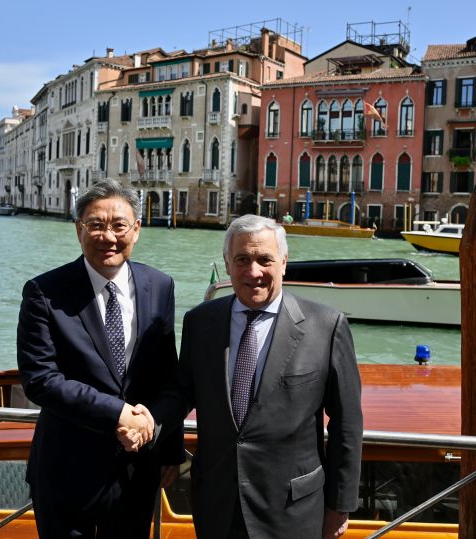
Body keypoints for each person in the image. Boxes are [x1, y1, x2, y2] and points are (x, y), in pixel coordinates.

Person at [124, 214, 363, 538]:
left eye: (264, 259)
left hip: (293, 509)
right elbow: (181, 392)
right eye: (242, 260)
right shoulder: (200, 321)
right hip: (217, 501)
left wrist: (340, 505)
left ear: (283, 262)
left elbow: (347, 423)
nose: (253, 272)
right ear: (227, 263)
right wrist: (150, 422)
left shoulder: (327, 326)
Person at [17, 179, 184, 539]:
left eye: (119, 225)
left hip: (136, 469)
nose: (108, 236)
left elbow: (167, 374)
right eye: (95, 224)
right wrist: (119, 413)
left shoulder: (160, 285)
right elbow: (40, 380)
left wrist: (167, 444)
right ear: (79, 230)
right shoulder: (44, 291)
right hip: (66, 469)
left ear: (136, 230)